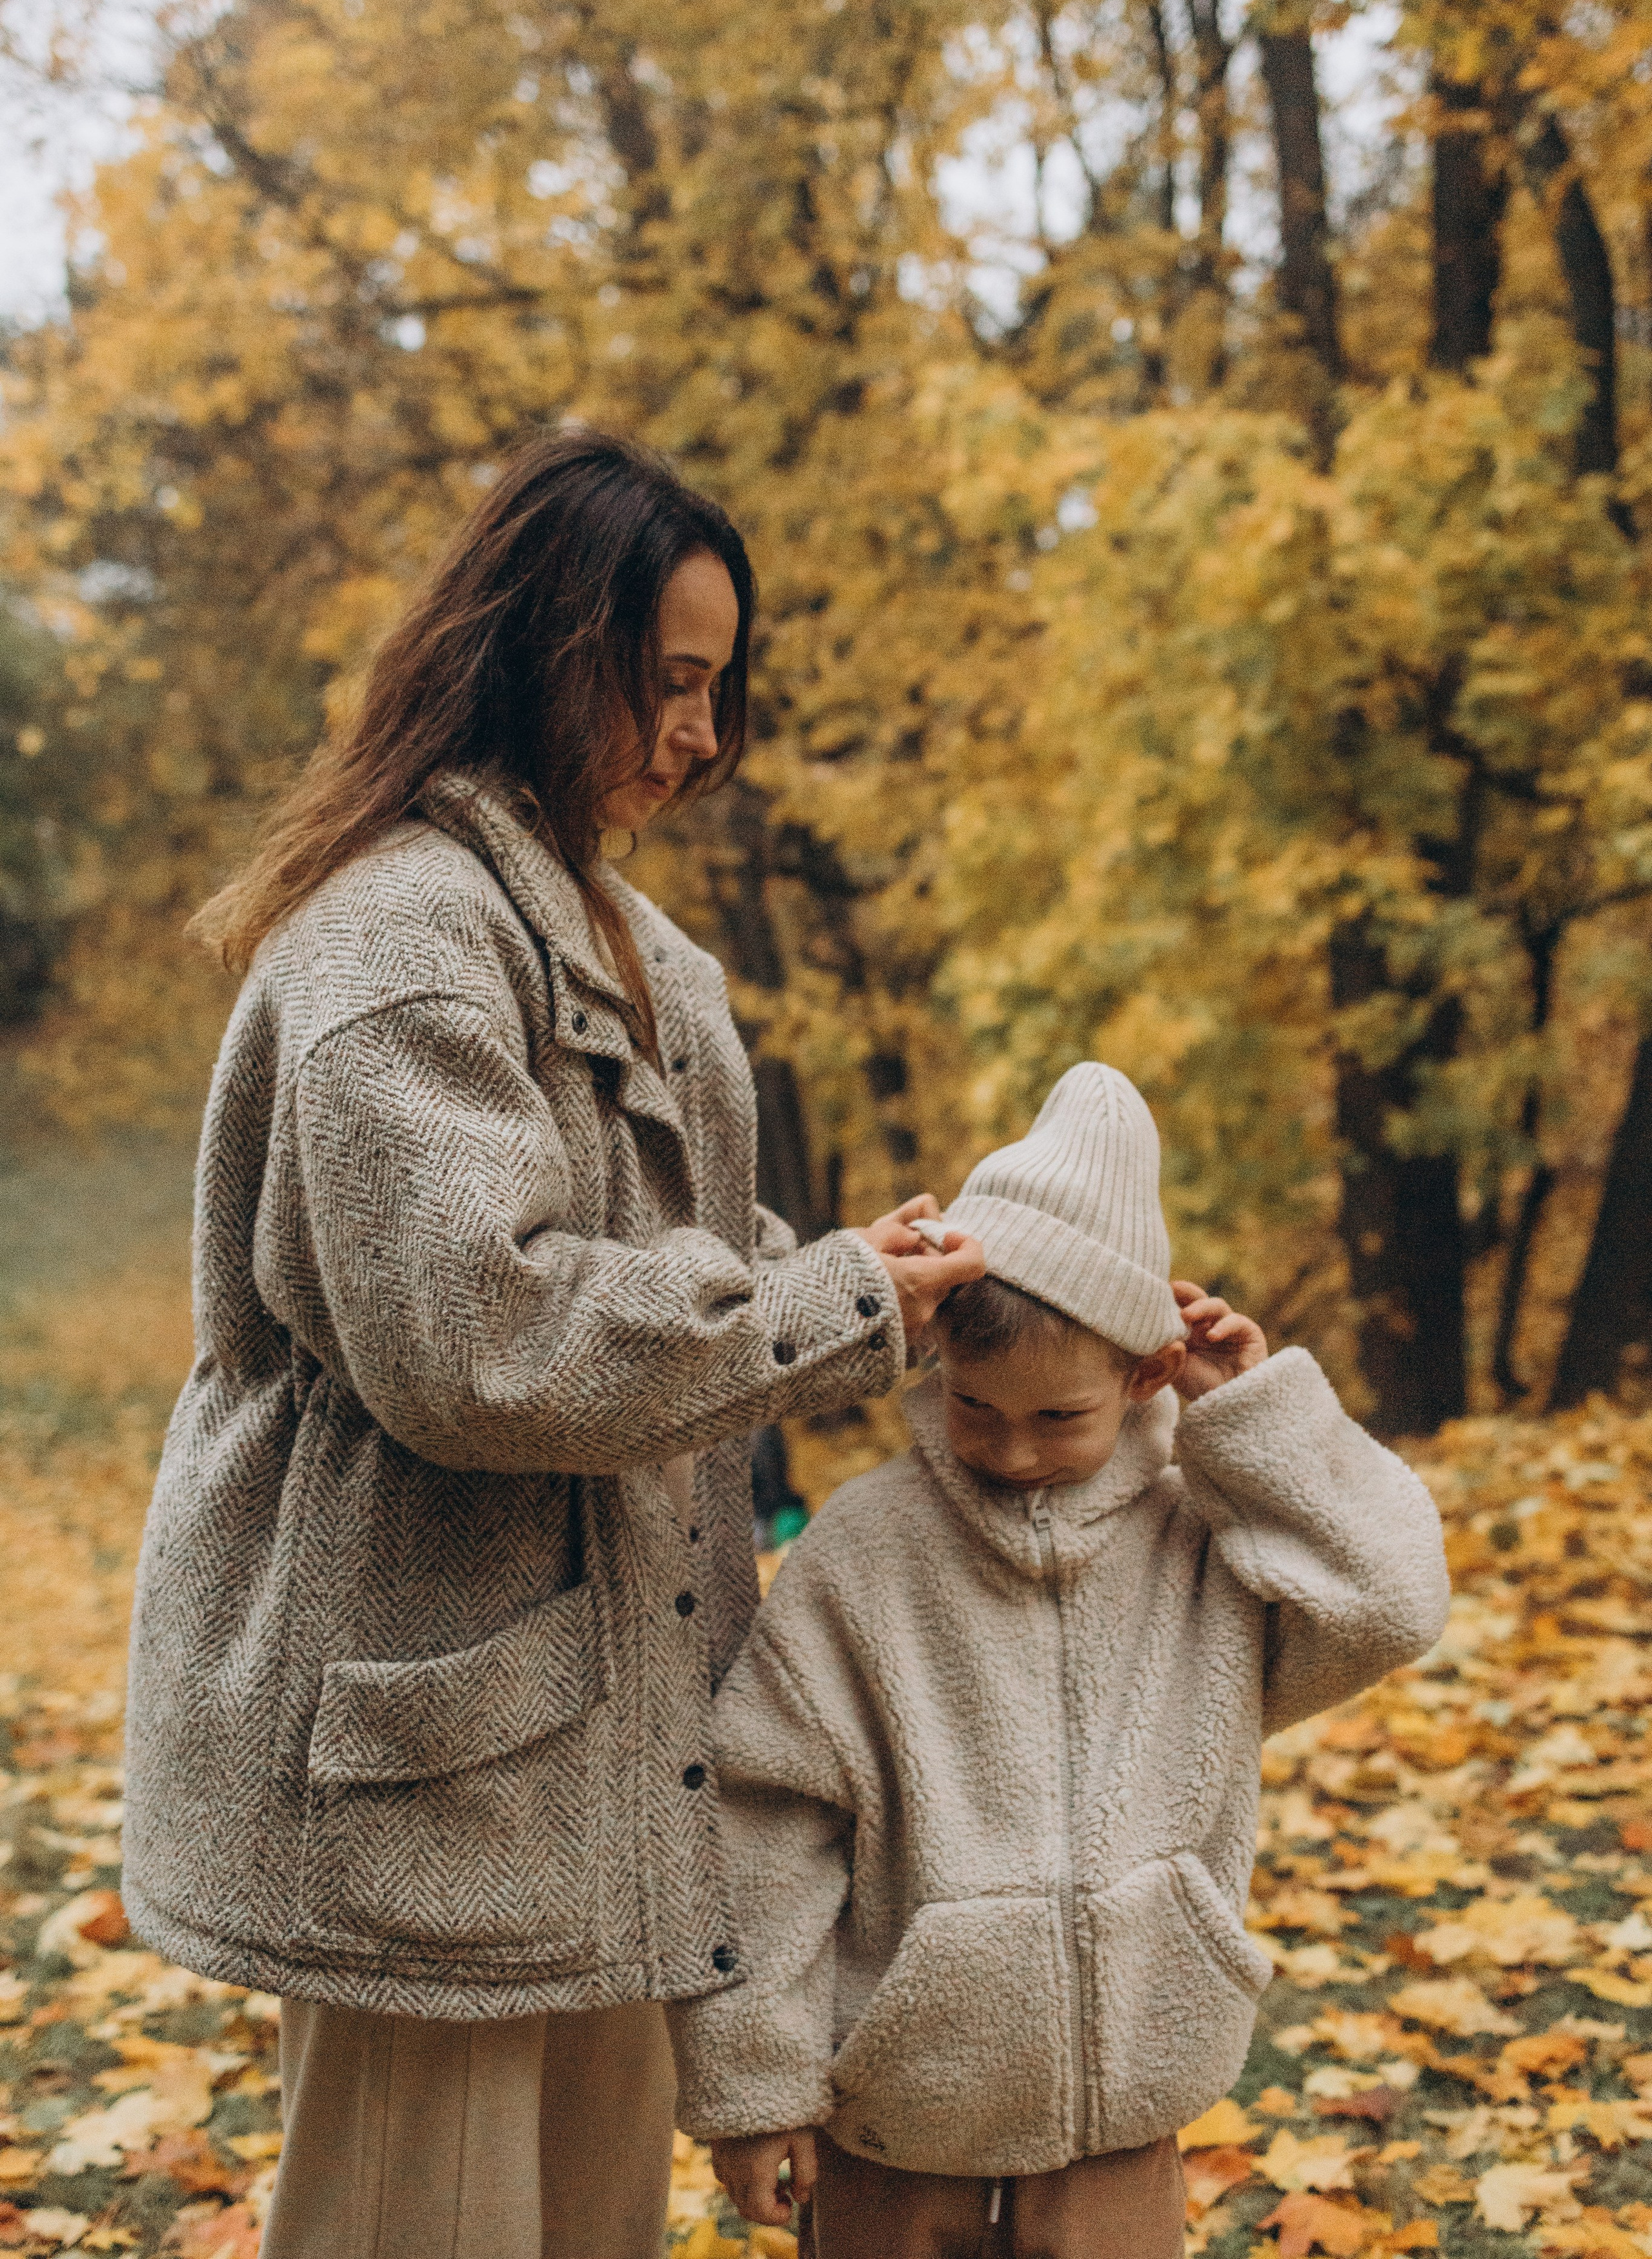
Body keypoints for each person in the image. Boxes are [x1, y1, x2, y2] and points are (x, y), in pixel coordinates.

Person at [119, 426, 983, 2259]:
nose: (702, 734)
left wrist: (856, 1272)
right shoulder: (400, 943)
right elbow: (479, 1333)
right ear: (543, 645)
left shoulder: (650, 958)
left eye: (720, 688)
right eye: (672, 682)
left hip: (609, 1739)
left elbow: (664, 1252)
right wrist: (828, 1306)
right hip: (424, 1768)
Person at [667, 1062, 1451, 2259]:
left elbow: (1391, 1602)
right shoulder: (865, 1555)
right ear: (936, 1365)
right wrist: (757, 2089)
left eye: (1060, 1419)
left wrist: (1253, 1416)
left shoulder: (1205, 1531)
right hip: (896, 2120)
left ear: (1146, 1376)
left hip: (1127, 2105)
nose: (1014, 1452)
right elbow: (765, 1822)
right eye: (978, 1409)